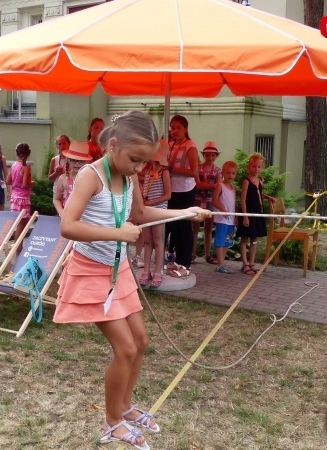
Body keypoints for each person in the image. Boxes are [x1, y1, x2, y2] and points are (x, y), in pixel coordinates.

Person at [54, 110, 210, 450]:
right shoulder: (89, 176)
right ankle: (112, 422)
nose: (139, 168)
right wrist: (116, 232)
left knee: (140, 340)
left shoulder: (128, 175)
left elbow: (139, 215)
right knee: (124, 349)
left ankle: (124, 407)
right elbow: (68, 226)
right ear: (113, 146)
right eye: (135, 160)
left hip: (118, 270)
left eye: (143, 162)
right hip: (90, 271)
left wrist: (185, 212)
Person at [164, 115, 200, 278]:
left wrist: (173, 169)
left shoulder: (190, 146)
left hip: (185, 190)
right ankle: (177, 260)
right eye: (172, 127)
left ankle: (186, 264)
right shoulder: (170, 145)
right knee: (175, 227)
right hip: (172, 190)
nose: (174, 131)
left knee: (184, 226)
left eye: (178, 127)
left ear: (186, 129)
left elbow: (194, 172)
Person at [138, 140, 171, 289]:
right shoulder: (147, 170)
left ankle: (158, 271)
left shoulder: (164, 172)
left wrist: (151, 203)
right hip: (147, 210)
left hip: (158, 210)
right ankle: (146, 270)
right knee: (147, 241)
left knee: (158, 241)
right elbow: (145, 189)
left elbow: (168, 195)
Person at [237, 153, 275, 275]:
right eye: (253, 166)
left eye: (259, 167)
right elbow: (243, 199)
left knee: (254, 238)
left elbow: (257, 194)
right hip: (248, 213)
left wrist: (266, 196)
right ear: (249, 167)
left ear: (262, 167)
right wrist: (245, 216)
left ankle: (252, 262)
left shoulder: (260, 181)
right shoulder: (246, 181)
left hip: (258, 212)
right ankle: (245, 264)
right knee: (244, 238)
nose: (256, 169)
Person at [196, 141, 222, 265]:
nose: (210, 158)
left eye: (213, 155)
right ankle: (192, 253)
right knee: (194, 227)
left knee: (208, 228)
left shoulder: (217, 170)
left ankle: (208, 254)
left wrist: (206, 186)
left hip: (210, 201)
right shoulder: (198, 168)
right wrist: (212, 185)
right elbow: (197, 185)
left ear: (216, 156)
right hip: (197, 199)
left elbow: (218, 186)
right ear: (203, 155)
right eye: (207, 155)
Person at [211, 161, 238, 274]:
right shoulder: (219, 186)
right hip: (222, 219)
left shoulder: (233, 188)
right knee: (220, 241)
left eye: (233, 173)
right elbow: (214, 200)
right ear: (222, 173)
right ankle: (220, 264)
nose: (230, 175)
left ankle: (222, 263)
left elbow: (234, 203)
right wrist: (222, 209)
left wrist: (235, 216)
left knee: (227, 241)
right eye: (228, 173)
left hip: (231, 220)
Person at [53, 141, 92, 217]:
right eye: (73, 160)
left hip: (86, 219)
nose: (77, 164)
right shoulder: (63, 178)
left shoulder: (91, 179)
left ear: (87, 161)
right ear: (68, 160)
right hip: (68, 217)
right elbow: (56, 199)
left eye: (80, 161)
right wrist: (61, 212)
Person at [9, 142, 35, 250]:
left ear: (16, 153)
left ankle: (18, 245)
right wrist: (32, 183)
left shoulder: (14, 165)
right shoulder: (26, 167)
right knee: (22, 225)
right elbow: (25, 184)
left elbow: (7, 180)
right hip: (23, 198)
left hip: (15, 197)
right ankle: (18, 247)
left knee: (18, 224)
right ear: (28, 154)